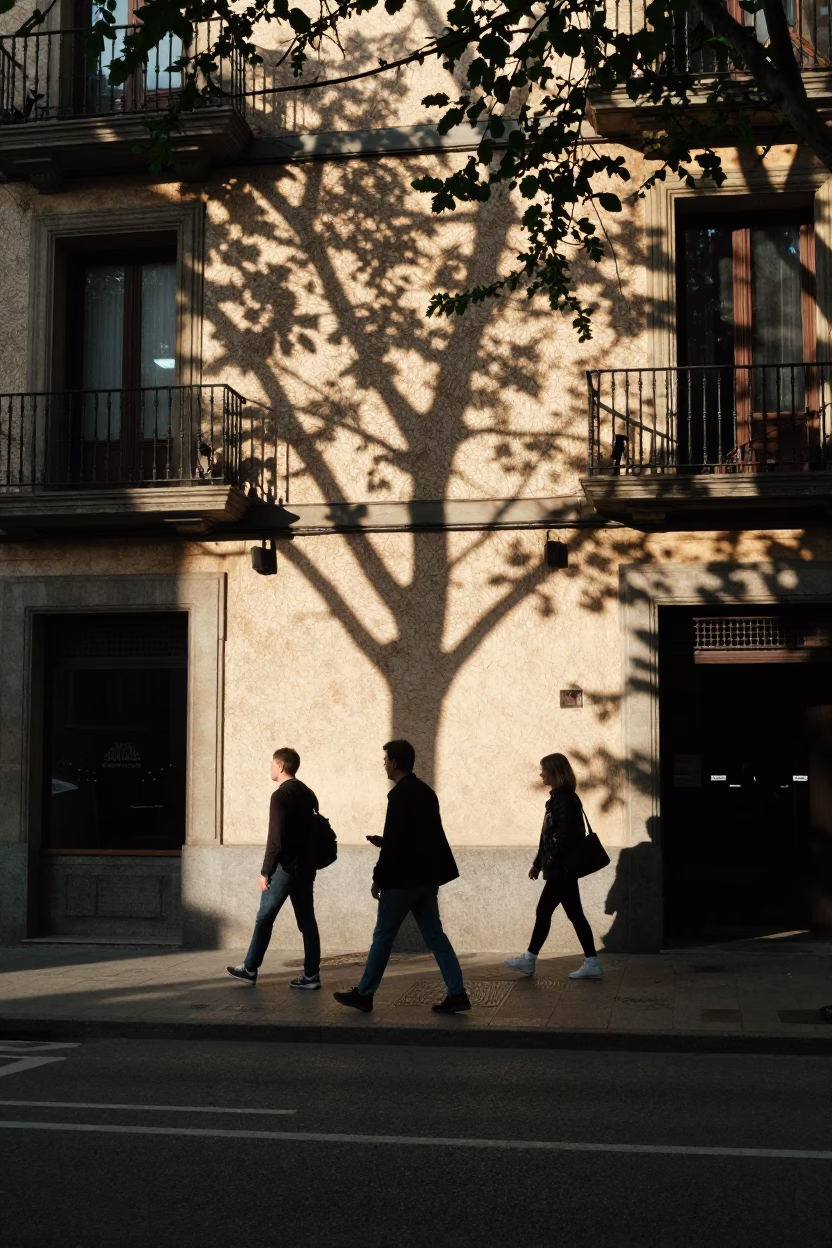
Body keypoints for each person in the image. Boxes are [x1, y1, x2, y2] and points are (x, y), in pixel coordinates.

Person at [333, 739, 470, 1014]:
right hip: (426, 879)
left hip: (401, 882)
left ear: (394, 763)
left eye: (385, 761)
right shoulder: (426, 792)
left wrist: (377, 877)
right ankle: (457, 993)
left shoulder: (398, 795)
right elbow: (421, 838)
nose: (384, 765)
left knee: (383, 936)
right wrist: (387, 842)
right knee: (436, 937)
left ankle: (365, 993)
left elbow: (398, 843)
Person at [226, 747, 322, 990]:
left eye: (271, 764)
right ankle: (311, 975)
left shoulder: (280, 796)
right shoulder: (308, 793)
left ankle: (249, 969)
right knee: (307, 921)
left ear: (280, 767)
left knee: (264, 917)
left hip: (285, 868)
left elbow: (276, 839)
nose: (269, 768)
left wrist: (265, 870)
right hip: (305, 868)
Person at [505, 753, 602, 980]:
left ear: (555, 772)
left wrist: (552, 863)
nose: (541, 773)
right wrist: (538, 864)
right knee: (574, 914)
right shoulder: (559, 798)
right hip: (561, 868)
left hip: (562, 869)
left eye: (544, 769)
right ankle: (592, 961)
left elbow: (565, 836)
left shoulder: (565, 799)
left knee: (545, 911)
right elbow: (548, 836)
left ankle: (529, 959)